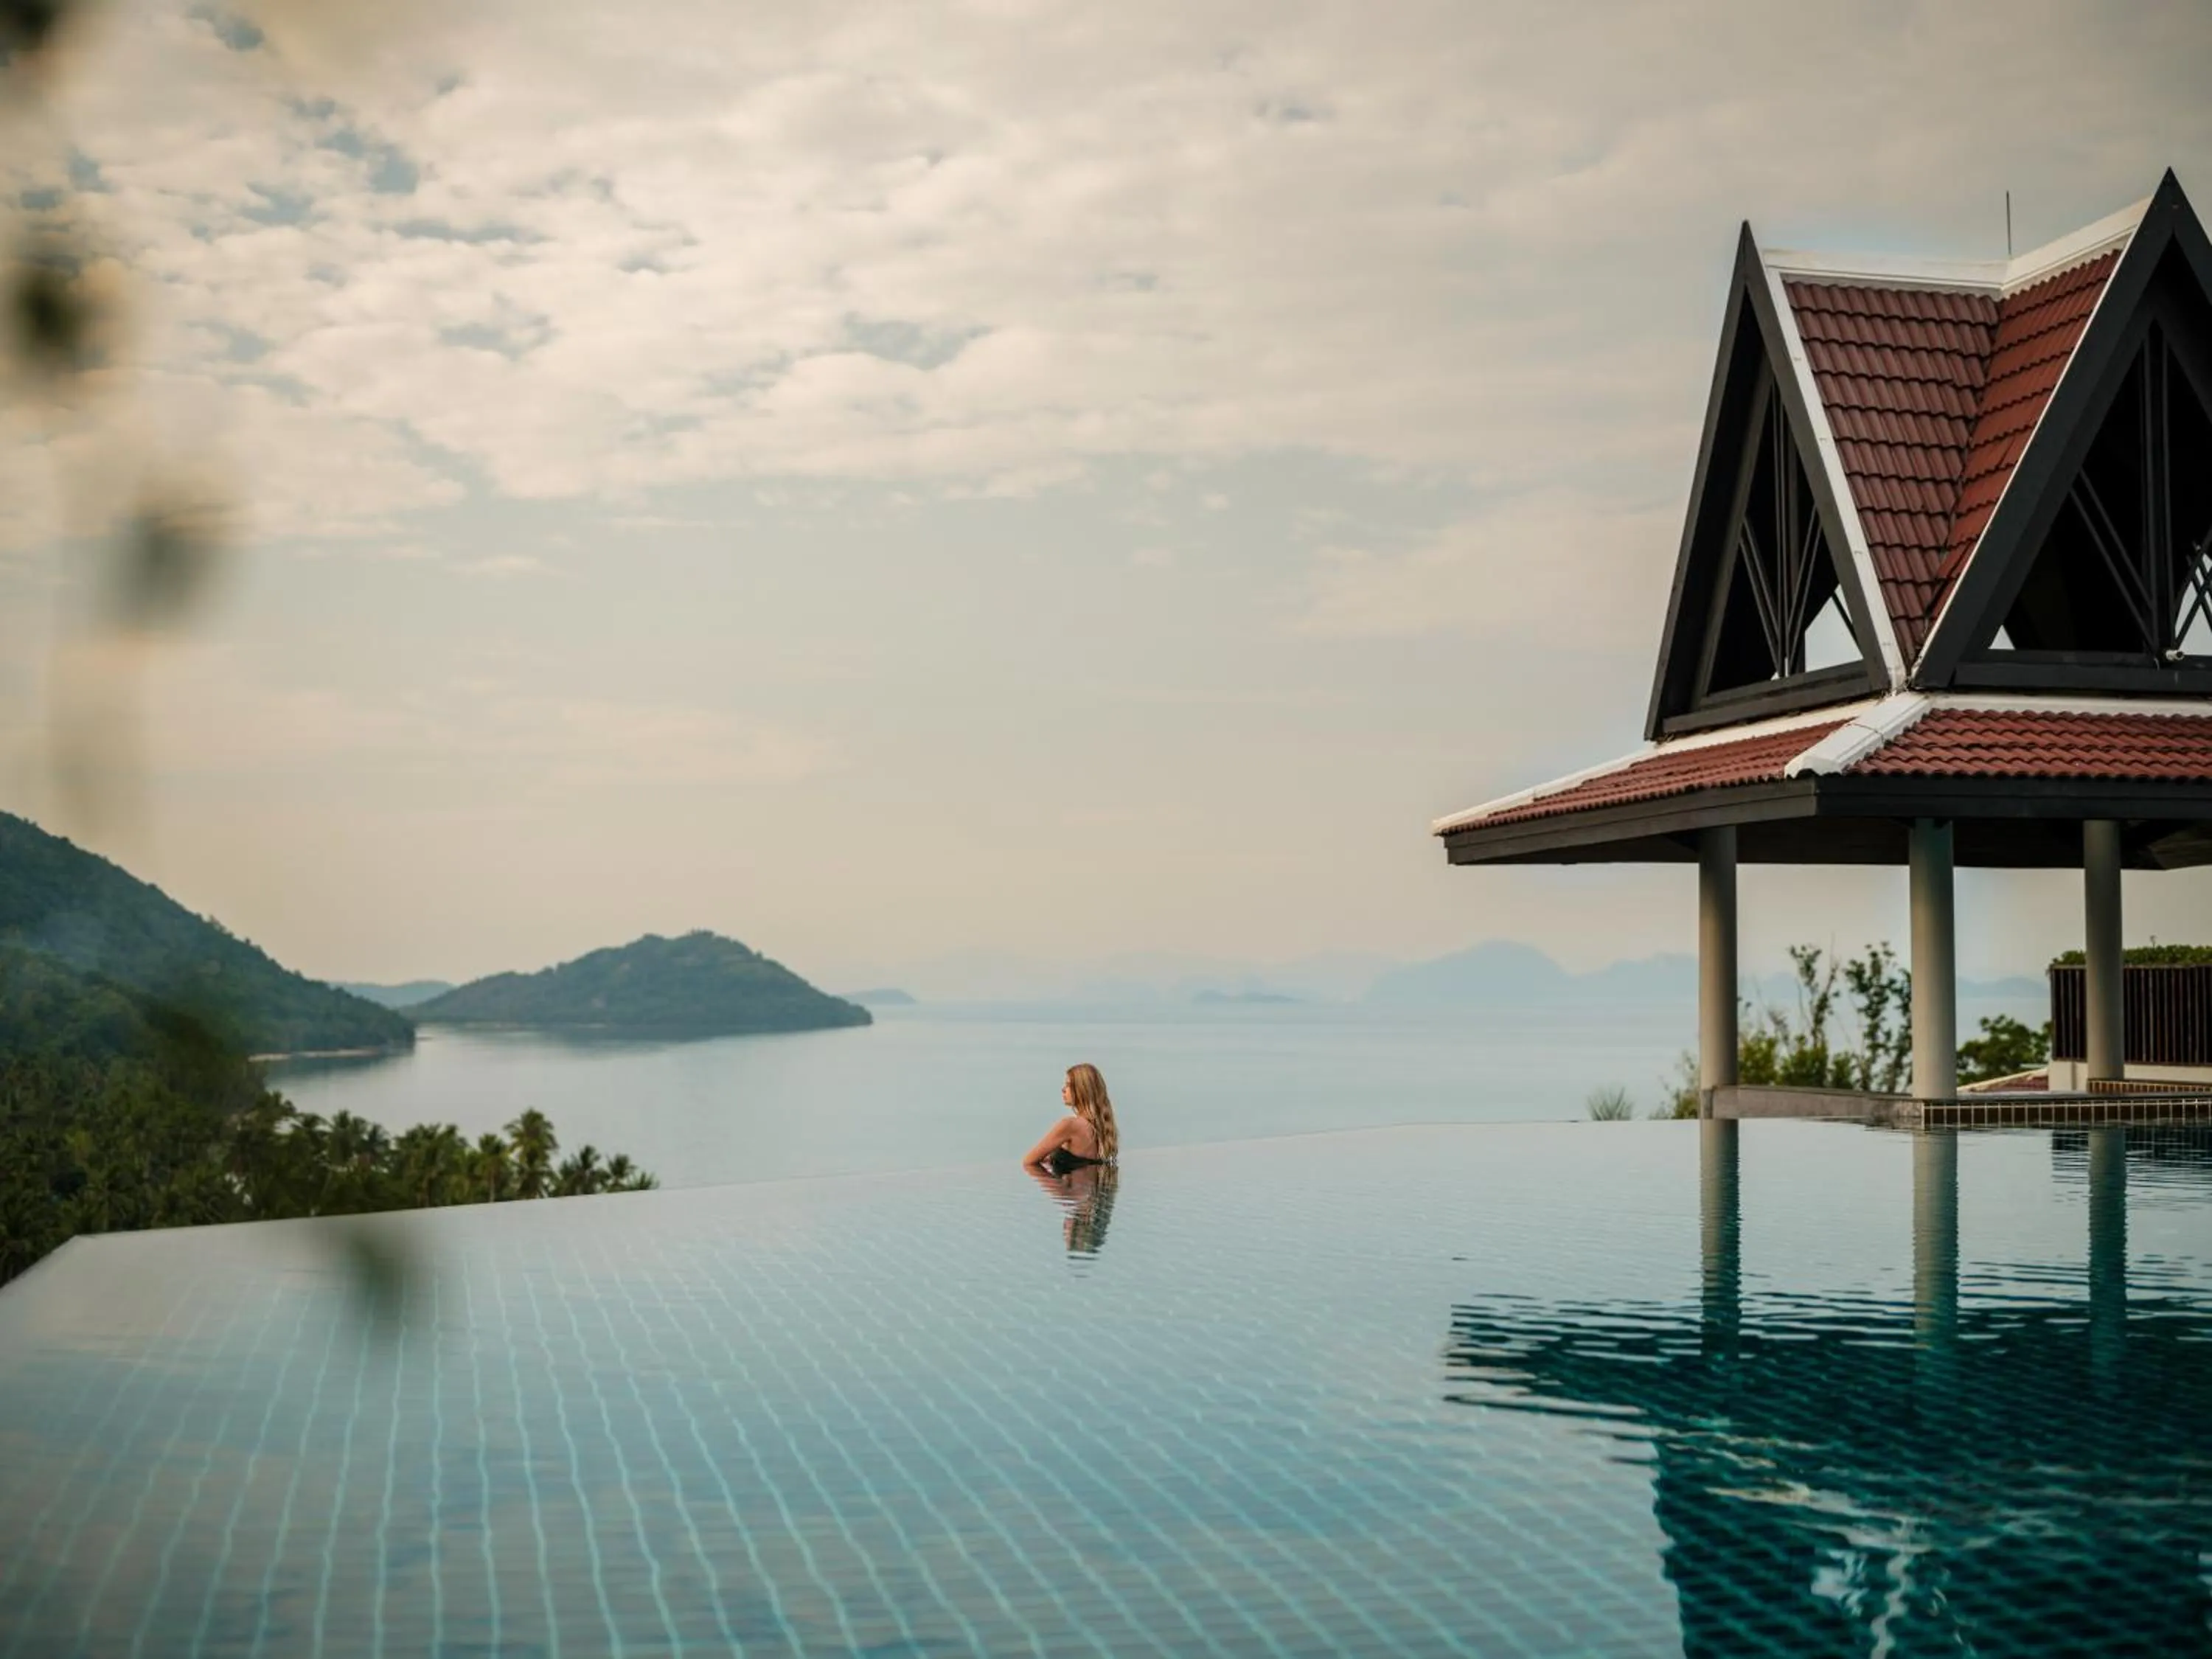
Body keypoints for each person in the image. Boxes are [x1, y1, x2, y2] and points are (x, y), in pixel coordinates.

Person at [1022, 1062, 1119, 1176]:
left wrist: (1057, 1189)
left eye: (1068, 1085)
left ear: (1082, 1090)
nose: (1063, 1089)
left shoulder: (1070, 1125)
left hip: (1069, 1191)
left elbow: (1028, 1162)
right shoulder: (1101, 1130)